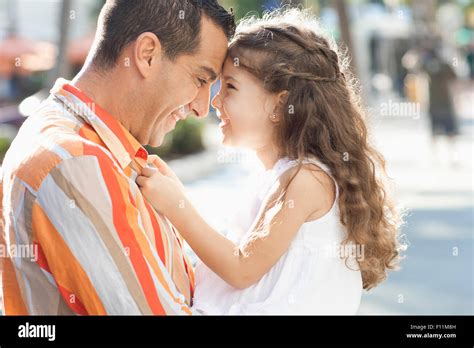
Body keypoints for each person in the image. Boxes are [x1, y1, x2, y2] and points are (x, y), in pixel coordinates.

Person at [137, 9, 404, 315]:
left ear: (280, 105)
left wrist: (177, 206)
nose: (214, 101)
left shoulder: (307, 180)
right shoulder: (283, 177)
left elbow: (241, 268)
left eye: (230, 87)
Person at [0, 0, 235, 315]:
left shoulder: (95, 151)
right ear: (147, 54)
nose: (202, 108)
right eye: (200, 79)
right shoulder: (74, 162)